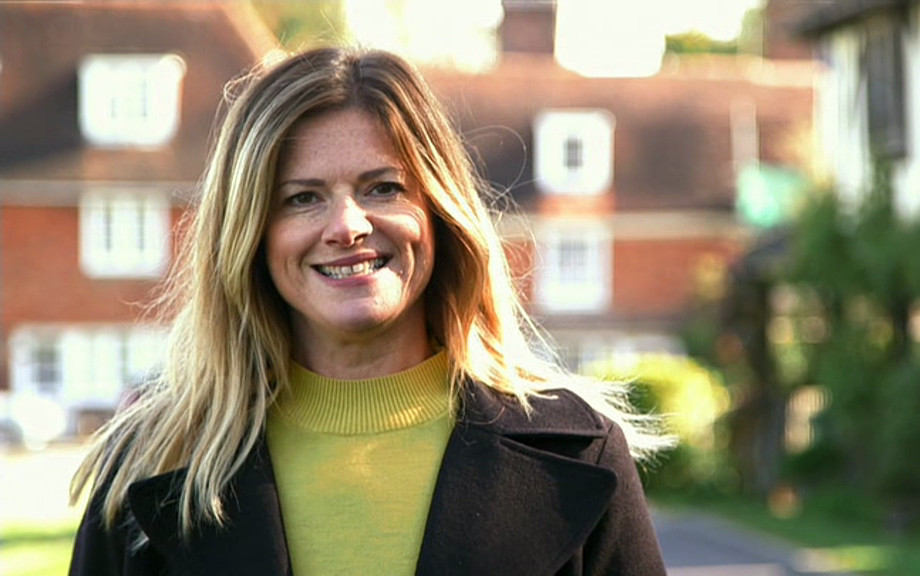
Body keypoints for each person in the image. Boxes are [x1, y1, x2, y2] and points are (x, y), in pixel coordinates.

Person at [69, 47, 671, 576]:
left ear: (438, 211)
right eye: (302, 198)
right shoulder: (153, 463)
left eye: (383, 187)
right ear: (251, 233)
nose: (347, 226)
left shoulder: (581, 452)